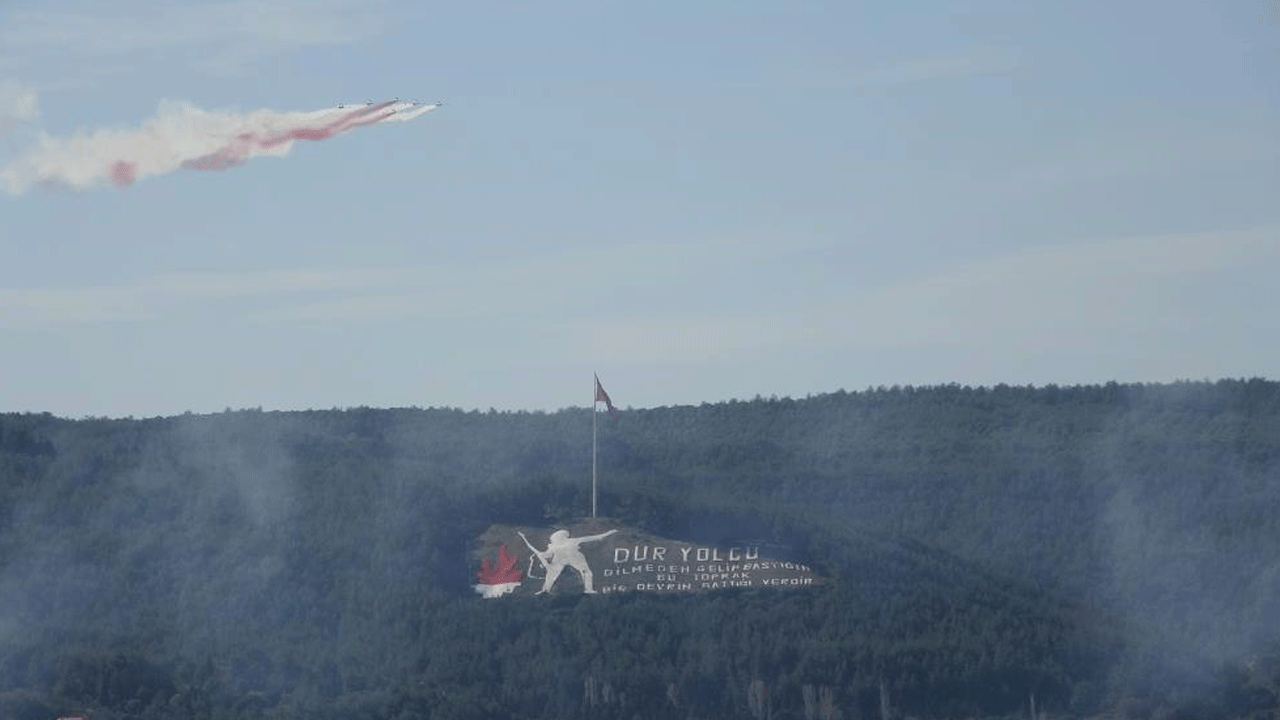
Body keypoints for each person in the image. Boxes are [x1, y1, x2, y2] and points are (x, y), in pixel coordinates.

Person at [519, 528, 617, 594]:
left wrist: (607, 533)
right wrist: (607, 534)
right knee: (585, 572)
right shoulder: (566, 543)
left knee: (552, 575)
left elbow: (592, 538)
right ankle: (588, 589)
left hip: (571, 559)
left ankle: (546, 590)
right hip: (570, 559)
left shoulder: (557, 545)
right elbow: (593, 538)